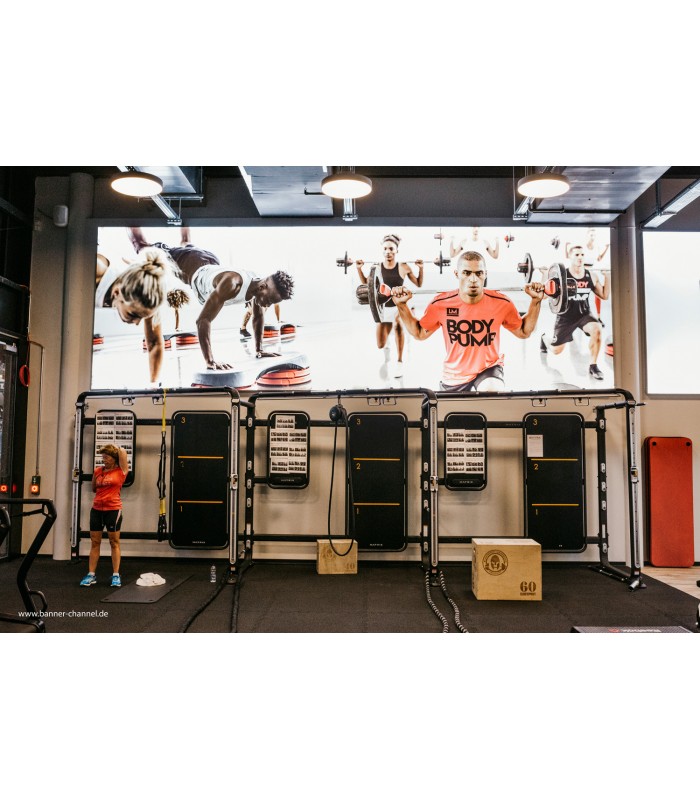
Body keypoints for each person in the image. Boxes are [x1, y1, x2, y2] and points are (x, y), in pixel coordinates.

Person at [128, 227, 294, 370]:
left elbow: (258, 318)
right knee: (142, 247)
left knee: (186, 243)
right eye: (269, 300)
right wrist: (210, 360)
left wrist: (259, 350)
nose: (267, 304)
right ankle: (129, 216)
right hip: (190, 266)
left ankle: (184, 219)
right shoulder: (232, 284)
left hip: (210, 262)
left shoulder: (257, 284)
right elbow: (203, 320)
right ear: (263, 287)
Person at [391, 250, 545, 391]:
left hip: (488, 368)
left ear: (485, 274)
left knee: (491, 390)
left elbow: (524, 331)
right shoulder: (440, 304)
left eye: (479, 273)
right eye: (466, 273)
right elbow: (419, 333)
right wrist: (402, 305)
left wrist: (535, 301)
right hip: (455, 375)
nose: (473, 279)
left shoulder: (501, 302)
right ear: (457, 274)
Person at [96, 247, 188, 384]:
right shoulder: (97, 269)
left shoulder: (147, 294)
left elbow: (154, 343)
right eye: (133, 314)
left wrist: (153, 385)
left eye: (142, 317)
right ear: (117, 292)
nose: (137, 323)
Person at [355, 234, 424, 377]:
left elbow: (418, 283)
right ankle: (387, 343)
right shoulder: (377, 268)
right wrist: (359, 269)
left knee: (398, 323)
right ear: (382, 251)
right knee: (380, 344)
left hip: (398, 306)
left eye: (391, 249)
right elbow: (367, 285)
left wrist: (421, 268)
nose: (388, 252)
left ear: (396, 250)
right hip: (383, 309)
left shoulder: (403, 267)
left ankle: (399, 362)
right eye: (385, 249)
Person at [540, 244, 610, 380]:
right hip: (565, 316)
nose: (580, 257)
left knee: (597, 329)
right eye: (577, 255)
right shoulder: (561, 276)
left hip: (584, 314)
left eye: (582, 255)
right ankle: (544, 339)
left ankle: (593, 366)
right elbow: (544, 296)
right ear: (570, 257)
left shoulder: (591, 275)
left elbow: (604, 295)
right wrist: (544, 275)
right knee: (556, 351)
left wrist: (608, 276)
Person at [80, 444, 129, 587]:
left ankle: (116, 575)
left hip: (113, 510)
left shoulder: (121, 471)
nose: (104, 459)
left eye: (107, 457)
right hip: (96, 510)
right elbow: (93, 488)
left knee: (114, 542)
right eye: (103, 457)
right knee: (95, 542)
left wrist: (114, 448)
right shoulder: (98, 471)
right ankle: (91, 575)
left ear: (114, 458)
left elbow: (122, 452)